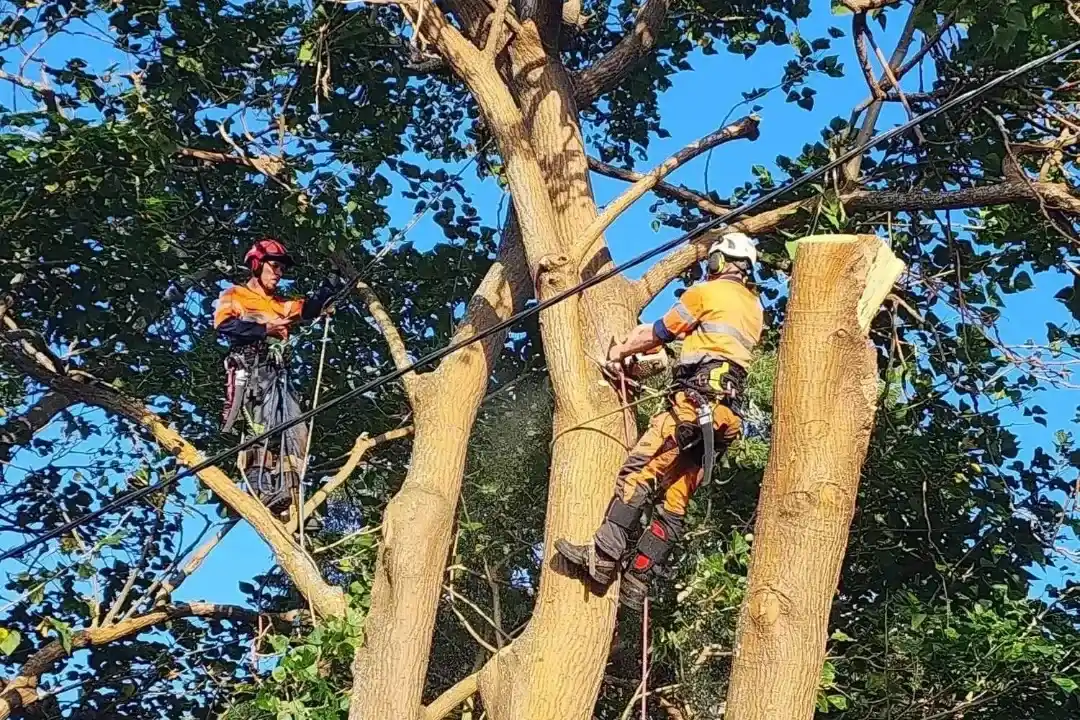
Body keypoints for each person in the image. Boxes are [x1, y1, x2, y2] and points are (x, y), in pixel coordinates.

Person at [555, 232, 764, 611]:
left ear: (719, 261)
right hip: (725, 419)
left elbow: (660, 332)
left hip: (692, 407)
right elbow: (706, 346)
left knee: (640, 472)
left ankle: (602, 558)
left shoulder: (706, 293)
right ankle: (638, 579)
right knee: (676, 496)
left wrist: (621, 350)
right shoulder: (753, 307)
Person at [213, 238, 338, 518]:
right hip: (251, 369)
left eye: (282, 268)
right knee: (263, 426)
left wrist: (331, 284)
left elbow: (310, 307)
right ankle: (259, 487)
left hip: (278, 372)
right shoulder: (235, 295)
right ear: (257, 264)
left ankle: (290, 494)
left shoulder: (280, 304)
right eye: (274, 266)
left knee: (295, 428)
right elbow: (225, 326)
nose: (278, 273)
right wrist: (265, 328)